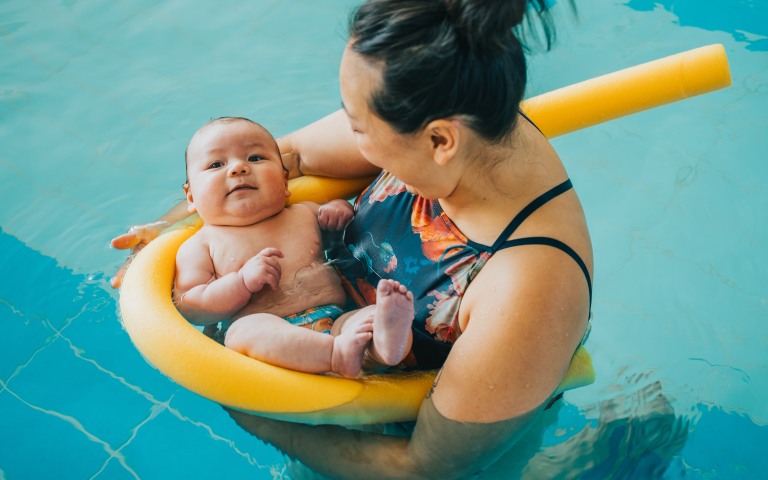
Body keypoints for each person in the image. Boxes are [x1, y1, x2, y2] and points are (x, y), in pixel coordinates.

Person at [111, 0, 589, 476]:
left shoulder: (530, 286)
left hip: (389, 444)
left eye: (357, 125)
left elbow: (420, 468)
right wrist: (173, 228)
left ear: (440, 141)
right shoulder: (442, 97)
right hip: (332, 370)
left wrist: (252, 408)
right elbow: (289, 155)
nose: (349, 134)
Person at [174, 116, 416, 378]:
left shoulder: (306, 214)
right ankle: (335, 355)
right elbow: (191, 306)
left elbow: (344, 242)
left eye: (255, 158)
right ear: (191, 197)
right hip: (272, 335)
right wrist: (241, 283)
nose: (238, 168)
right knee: (241, 332)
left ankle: (385, 349)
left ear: (284, 180)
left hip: (335, 320)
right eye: (216, 164)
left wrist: (340, 212)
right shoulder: (199, 246)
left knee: (370, 316)